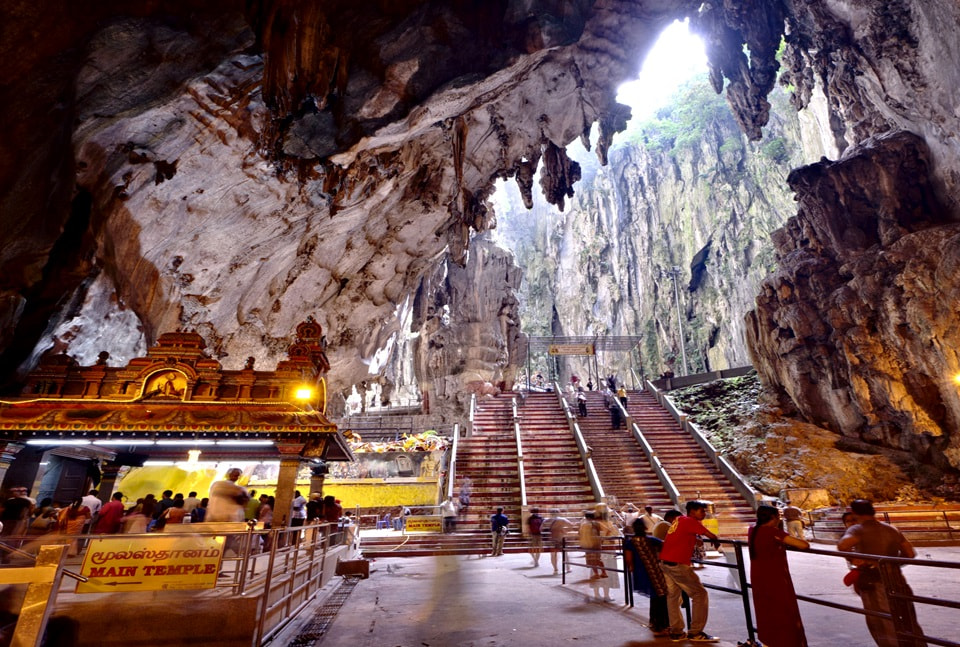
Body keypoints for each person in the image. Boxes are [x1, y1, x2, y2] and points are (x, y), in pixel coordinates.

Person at [838, 499, 926, 647]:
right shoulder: (891, 529)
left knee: (882, 622)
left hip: (875, 581)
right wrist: (892, 563)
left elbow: (843, 545)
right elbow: (910, 553)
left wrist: (858, 560)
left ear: (854, 512)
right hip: (897, 579)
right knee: (908, 619)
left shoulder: (857, 530)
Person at [659, 500, 721, 642]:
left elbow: (686, 536)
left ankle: (676, 632)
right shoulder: (690, 521)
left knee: (673, 597)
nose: (704, 514)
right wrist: (716, 539)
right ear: (692, 511)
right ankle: (696, 632)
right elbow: (711, 535)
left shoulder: (679, 520)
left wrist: (695, 540)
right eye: (702, 511)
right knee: (700, 594)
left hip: (665, 563)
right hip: (678, 564)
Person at [749, 505, 810, 647]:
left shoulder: (753, 529)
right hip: (775, 578)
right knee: (784, 613)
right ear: (775, 517)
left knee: (766, 611)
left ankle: (769, 641)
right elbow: (803, 545)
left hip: (759, 578)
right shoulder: (771, 532)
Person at [624, 518, 670, 636]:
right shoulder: (652, 540)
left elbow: (629, 559)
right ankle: (662, 625)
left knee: (655, 597)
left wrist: (632, 569)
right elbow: (665, 546)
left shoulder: (630, 542)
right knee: (660, 597)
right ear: (645, 528)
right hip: (655, 571)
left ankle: (655, 623)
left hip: (641, 572)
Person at [542, 509, 573, 574]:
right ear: (559, 513)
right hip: (561, 538)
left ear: (550, 513)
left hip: (551, 539)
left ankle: (555, 569)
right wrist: (564, 531)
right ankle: (568, 568)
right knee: (565, 553)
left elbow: (541, 529)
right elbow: (571, 525)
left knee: (553, 554)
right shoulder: (562, 519)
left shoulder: (546, 520)